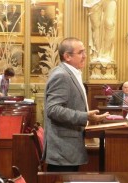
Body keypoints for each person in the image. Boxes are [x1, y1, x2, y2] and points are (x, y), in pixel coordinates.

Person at [43, 37, 110, 172]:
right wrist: (85, 116)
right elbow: (53, 109)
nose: (85, 56)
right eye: (80, 52)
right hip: (63, 150)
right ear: (67, 56)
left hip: (68, 148)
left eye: (84, 52)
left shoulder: (71, 73)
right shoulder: (62, 75)